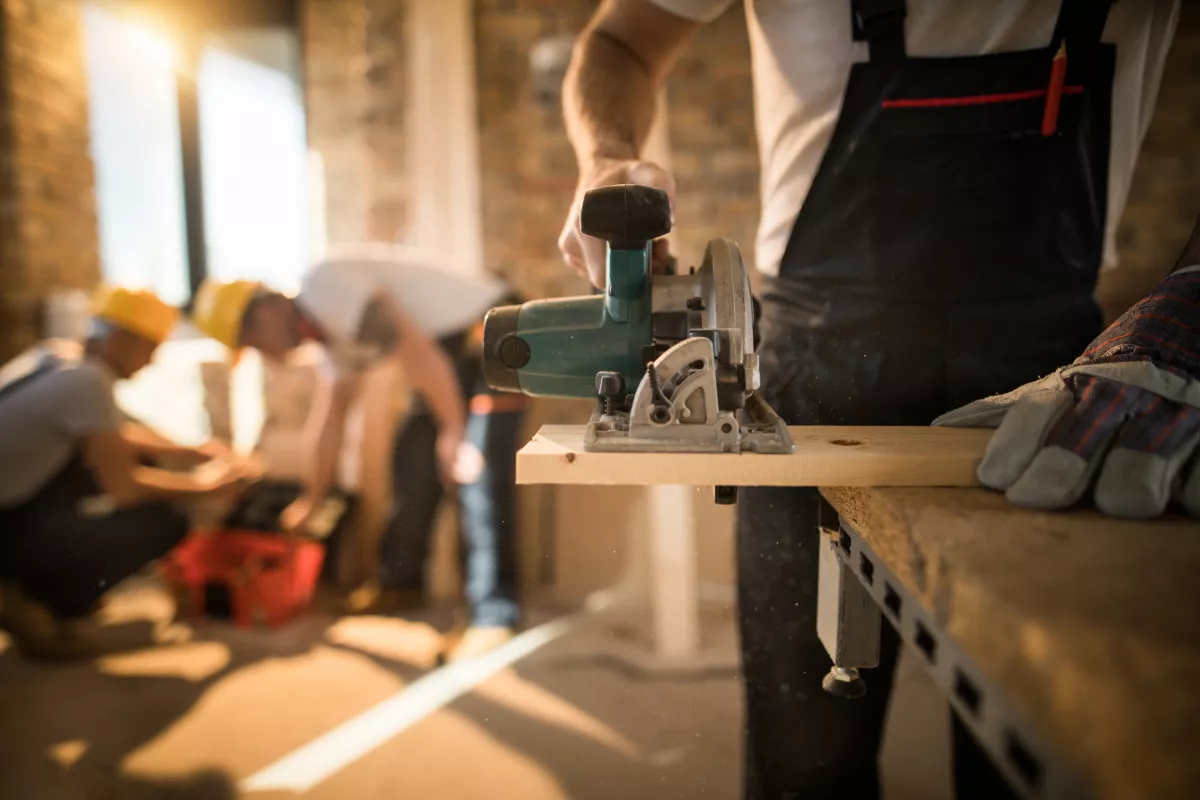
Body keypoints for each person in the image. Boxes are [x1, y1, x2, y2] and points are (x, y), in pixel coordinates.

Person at [557, 0, 1182, 797]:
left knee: (1038, 747)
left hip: (1058, 370)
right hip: (817, 373)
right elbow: (620, 39)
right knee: (805, 763)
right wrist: (606, 157)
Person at [192, 245, 526, 661]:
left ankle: (494, 616)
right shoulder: (331, 339)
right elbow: (329, 421)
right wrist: (311, 499)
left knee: (476, 470)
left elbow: (416, 351)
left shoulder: (326, 288)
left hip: (493, 332)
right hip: (446, 356)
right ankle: (400, 586)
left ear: (263, 314)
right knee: (413, 462)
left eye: (251, 343)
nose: (264, 356)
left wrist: (454, 432)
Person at [0, 286, 249, 661]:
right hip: (7, 530)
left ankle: (32, 584)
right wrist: (204, 486)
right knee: (167, 520)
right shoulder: (89, 383)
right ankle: (41, 604)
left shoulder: (57, 358)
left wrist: (193, 450)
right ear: (121, 339)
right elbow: (125, 488)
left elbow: (108, 435)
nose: (150, 363)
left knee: (109, 468)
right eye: (150, 349)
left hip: (11, 509)